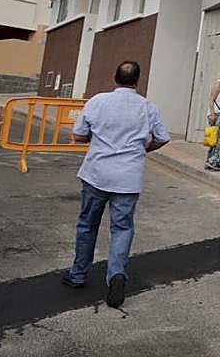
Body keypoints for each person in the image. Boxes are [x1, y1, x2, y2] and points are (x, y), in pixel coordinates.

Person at [62, 61, 169, 309]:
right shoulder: (148, 107)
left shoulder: (98, 101)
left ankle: (78, 275)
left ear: (115, 78)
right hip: (128, 178)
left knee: (87, 224)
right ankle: (116, 275)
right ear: (138, 81)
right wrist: (142, 149)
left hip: (96, 174)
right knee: (122, 228)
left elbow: (78, 135)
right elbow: (162, 138)